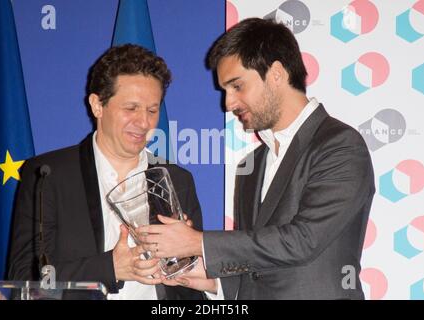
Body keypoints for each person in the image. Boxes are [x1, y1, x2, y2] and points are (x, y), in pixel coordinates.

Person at [137, 18, 375, 300]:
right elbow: (260, 266)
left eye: (237, 86)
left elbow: (303, 241)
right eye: (225, 90)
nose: (228, 104)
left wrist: (197, 243)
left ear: (276, 73)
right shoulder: (251, 167)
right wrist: (214, 281)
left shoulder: (339, 145)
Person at [8, 44, 204, 300]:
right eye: (131, 108)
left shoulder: (178, 180)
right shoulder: (47, 176)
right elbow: (24, 279)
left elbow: (193, 288)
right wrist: (110, 267)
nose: (144, 122)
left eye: (152, 110)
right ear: (97, 105)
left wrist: (187, 257)